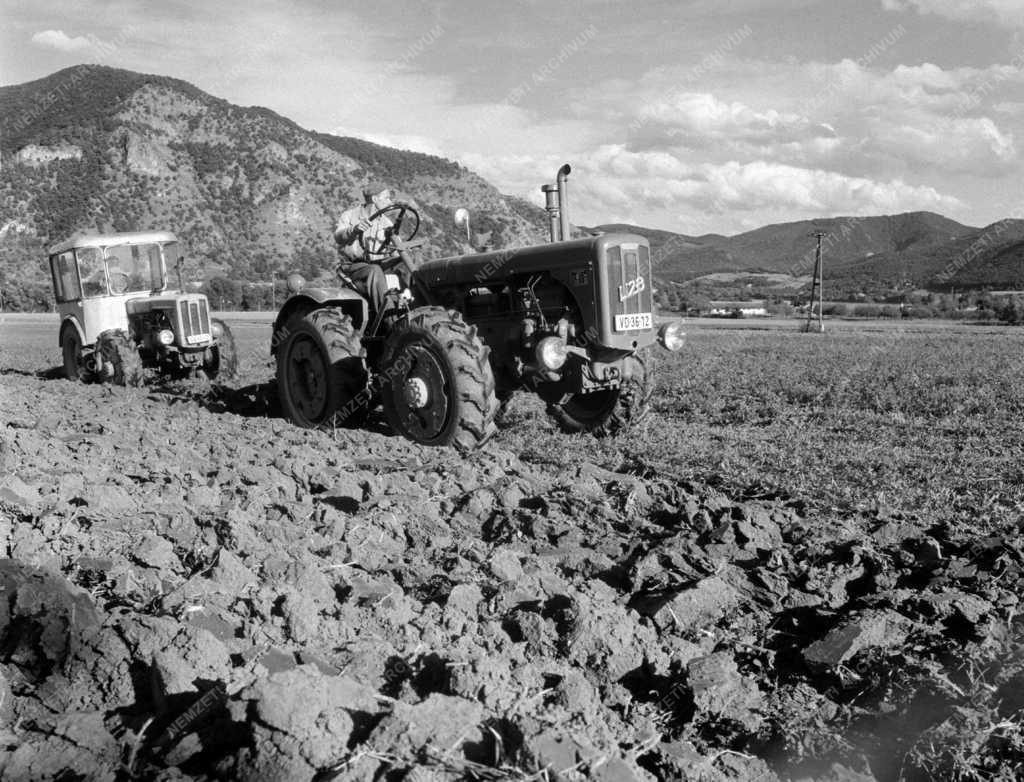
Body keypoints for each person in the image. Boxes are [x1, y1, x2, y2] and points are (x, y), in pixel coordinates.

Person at [333, 181, 397, 319]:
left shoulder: (386, 223)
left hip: (379, 264)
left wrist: (401, 254)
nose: (390, 201)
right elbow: (338, 236)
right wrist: (354, 229)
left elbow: (396, 249)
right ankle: (390, 319)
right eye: (386, 198)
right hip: (353, 267)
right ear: (374, 199)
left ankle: (413, 309)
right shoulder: (349, 216)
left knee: (403, 264)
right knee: (374, 270)